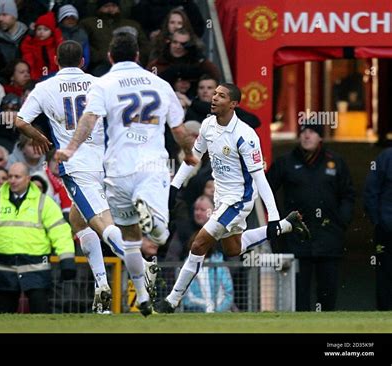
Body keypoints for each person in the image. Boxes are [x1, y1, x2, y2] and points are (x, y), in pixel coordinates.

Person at [55, 33, 197, 316]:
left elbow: (89, 119)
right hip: (152, 166)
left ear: (110, 57)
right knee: (158, 232)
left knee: (129, 238)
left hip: (117, 169)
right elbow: (179, 129)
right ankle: (153, 220)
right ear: (138, 56)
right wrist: (189, 153)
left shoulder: (103, 83)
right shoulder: (160, 84)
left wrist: (71, 148)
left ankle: (142, 298)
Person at [155, 83, 311, 313]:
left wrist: (273, 216)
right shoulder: (208, 125)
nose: (214, 98)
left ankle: (172, 300)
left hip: (239, 200)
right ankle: (288, 225)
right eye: (214, 94)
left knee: (198, 245)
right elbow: (193, 157)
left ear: (233, 104)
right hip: (221, 198)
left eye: (221, 96)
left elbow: (260, 178)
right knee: (232, 250)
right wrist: (174, 186)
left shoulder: (245, 136)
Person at [15, 40, 114, 314]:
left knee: (101, 224)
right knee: (78, 221)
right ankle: (101, 285)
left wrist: (39, 136)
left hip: (77, 164)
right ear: (83, 61)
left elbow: (20, 121)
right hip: (107, 163)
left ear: (56, 60)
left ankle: (140, 262)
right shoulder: (99, 83)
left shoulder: (45, 87)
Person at [267, 120, 355, 311]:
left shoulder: (335, 161)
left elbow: (348, 194)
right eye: (303, 132)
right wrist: (279, 219)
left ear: (321, 137)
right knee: (298, 295)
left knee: (328, 293)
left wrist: (341, 221)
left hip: (329, 236)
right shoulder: (285, 162)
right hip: (296, 236)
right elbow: (266, 190)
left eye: (312, 132)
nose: (307, 135)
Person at [0, 162, 77, 313]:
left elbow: (60, 232)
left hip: (36, 268)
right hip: (3, 268)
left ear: (28, 178)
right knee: (2, 321)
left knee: (41, 319)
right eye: (10, 176)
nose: (12, 180)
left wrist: (67, 259)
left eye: (17, 177)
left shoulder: (44, 202)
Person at [364, 147, 392, 310]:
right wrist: (379, 222)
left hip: (386, 225)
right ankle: (386, 312)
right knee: (385, 274)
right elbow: (371, 192)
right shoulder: (386, 158)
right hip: (387, 231)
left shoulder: (385, 157)